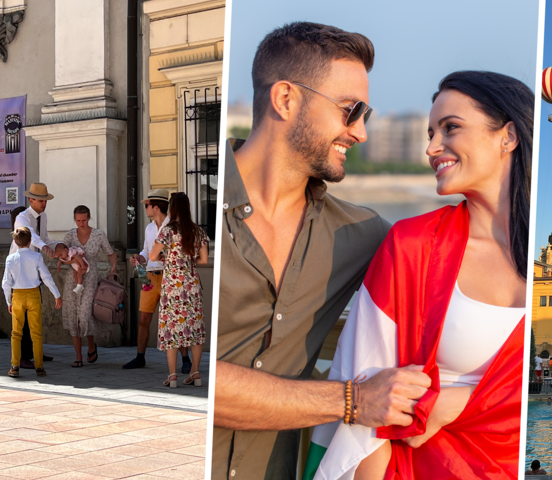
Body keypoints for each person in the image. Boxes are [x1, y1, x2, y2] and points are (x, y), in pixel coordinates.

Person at [211, 23, 432, 480]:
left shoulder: (364, 234)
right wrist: (352, 400)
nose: (361, 132)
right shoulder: (197, 220)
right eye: (351, 111)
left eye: (365, 115)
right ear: (285, 99)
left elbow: (455, 269)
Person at [315, 69, 533, 480]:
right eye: (430, 133)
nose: (432, 148)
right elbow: (367, 415)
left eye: (450, 128)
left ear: (508, 136)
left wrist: (459, 402)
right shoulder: (412, 245)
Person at [124, 189, 191, 371]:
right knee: (144, 317)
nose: (145, 208)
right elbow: (147, 251)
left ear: (156, 207)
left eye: (147, 205)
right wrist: (139, 258)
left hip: (170, 277)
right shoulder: (149, 228)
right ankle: (140, 357)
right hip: (150, 277)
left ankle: (185, 360)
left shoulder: (173, 226)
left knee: (176, 319)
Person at [149, 193, 208, 388]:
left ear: (172, 208)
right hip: (192, 284)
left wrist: (167, 258)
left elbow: (152, 255)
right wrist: (188, 261)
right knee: (195, 329)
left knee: (172, 329)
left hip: (173, 286)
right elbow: (204, 260)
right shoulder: (197, 231)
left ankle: (172, 375)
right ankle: (195, 372)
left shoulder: (168, 231)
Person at [11, 183, 60, 369]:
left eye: (45, 201)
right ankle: (23, 357)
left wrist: (58, 246)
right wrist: (45, 247)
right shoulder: (22, 218)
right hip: (19, 270)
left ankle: (34, 351)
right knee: (22, 316)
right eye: (41, 201)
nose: (44, 204)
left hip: (33, 269)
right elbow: (32, 236)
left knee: (35, 311)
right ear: (31, 200)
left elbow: (45, 238)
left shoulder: (43, 217)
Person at [61, 206, 117, 367]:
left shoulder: (98, 235)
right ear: (74, 220)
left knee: (85, 314)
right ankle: (78, 356)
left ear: (89, 218)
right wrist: (73, 260)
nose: (81, 223)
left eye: (84, 220)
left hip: (91, 278)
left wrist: (113, 267)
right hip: (73, 279)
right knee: (73, 316)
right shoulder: (70, 235)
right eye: (78, 220)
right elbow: (62, 256)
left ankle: (91, 344)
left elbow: (110, 252)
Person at [3, 227, 62, 377]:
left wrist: (9, 301)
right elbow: (46, 276)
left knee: (16, 333)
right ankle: (39, 367)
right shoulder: (36, 257)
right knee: (36, 333)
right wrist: (56, 294)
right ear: (30, 242)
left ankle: (15, 366)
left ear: (15, 242)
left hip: (17, 296)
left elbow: (6, 283)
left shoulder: (10, 259)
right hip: (33, 294)